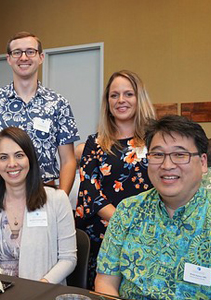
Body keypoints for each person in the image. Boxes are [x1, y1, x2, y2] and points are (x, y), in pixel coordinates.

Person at [95, 115, 211, 299]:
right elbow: (105, 282)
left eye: (180, 155)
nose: (167, 165)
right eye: (158, 154)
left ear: (203, 162)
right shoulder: (128, 210)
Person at [0, 31, 79, 197]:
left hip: (46, 192)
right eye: (17, 52)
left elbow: (68, 159)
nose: (23, 57)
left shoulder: (58, 104)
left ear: (41, 57)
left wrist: (61, 198)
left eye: (30, 51)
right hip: (3, 194)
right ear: (9, 59)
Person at [75, 70, 156, 289]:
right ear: (107, 102)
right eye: (114, 95)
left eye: (128, 94)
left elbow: (162, 185)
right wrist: (121, 221)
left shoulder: (155, 140)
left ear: (139, 99)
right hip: (102, 234)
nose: (121, 100)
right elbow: (89, 190)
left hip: (145, 231)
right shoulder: (95, 142)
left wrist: (131, 224)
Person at [0, 127, 76, 284]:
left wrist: (37, 288)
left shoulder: (57, 200)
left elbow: (68, 259)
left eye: (19, 155)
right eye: (3, 157)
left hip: (42, 291)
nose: (12, 164)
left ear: (30, 159)